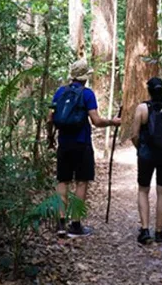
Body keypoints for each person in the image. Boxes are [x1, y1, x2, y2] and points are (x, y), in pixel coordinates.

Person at [48, 58, 121, 238]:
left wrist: (50, 138)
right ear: (85, 77)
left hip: (64, 143)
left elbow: (50, 118)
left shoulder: (60, 92)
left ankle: (61, 224)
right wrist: (112, 122)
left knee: (63, 181)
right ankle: (75, 224)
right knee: (81, 181)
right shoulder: (87, 94)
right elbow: (96, 121)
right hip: (82, 143)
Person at [130, 77, 162, 244]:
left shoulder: (142, 108)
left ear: (149, 91)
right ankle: (159, 232)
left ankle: (145, 230)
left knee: (143, 190)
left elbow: (134, 135)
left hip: (147, 154)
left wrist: (140, 149)